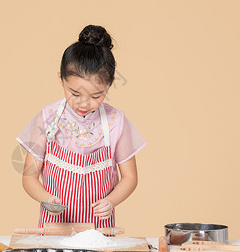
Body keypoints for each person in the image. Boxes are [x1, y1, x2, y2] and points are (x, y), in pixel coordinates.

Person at [16, 25, 146, 228]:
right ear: (61, 79)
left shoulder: (116, 122)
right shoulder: (48, 118)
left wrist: (110, 202)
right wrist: (46, 198)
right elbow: (29, 176)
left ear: (109, 85)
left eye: (96, 96)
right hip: (54, 229)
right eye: (75, 94)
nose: (84, 104)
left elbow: (130, 177)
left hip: (99, 231)